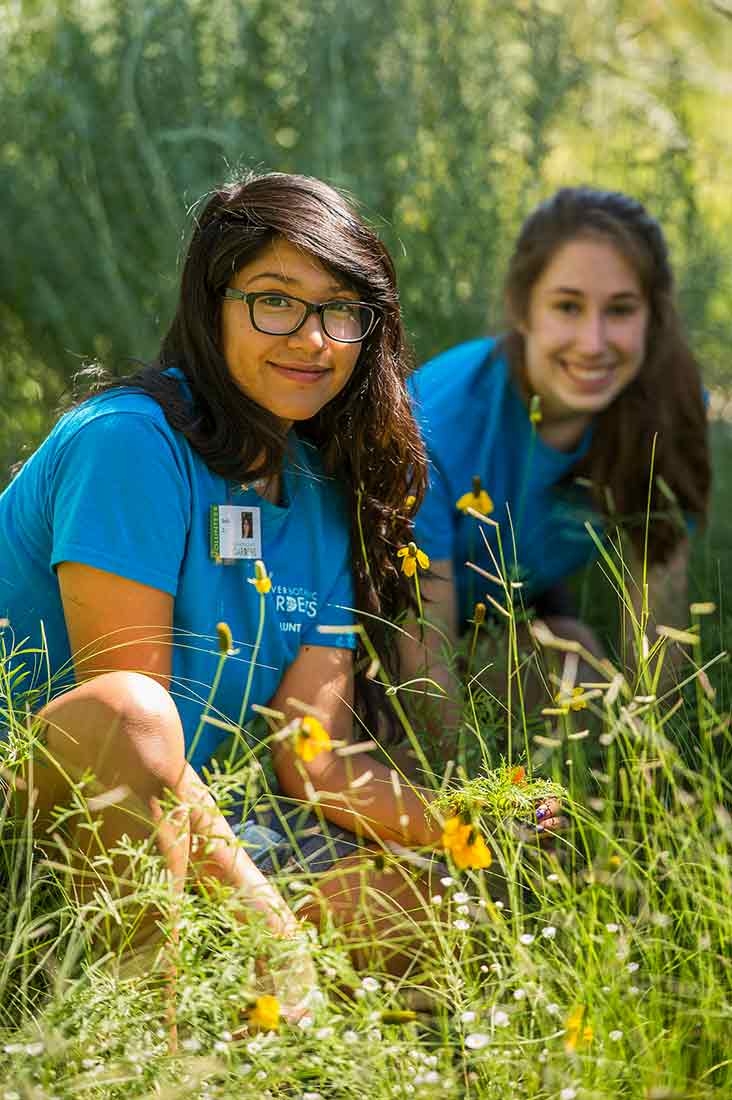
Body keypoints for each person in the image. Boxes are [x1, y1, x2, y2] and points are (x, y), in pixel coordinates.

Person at [0, 171, 453, 1006]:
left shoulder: (320, 489)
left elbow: (310, 757)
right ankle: (143, 1045)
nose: (314, 340)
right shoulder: (128, 444)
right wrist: (269, 922)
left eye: (341, 311)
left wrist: (474, 831)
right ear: (213, 304)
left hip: (197, 822)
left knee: (432, 917)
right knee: (133, 710)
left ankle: (249, 1030)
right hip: (41, 813)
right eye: (276, 300)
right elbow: (125, 731)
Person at [403, 187, 710, 724]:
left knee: (579, 667)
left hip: (518, 601)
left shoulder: (670, 407)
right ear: (523, 309)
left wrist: (656, 769)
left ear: (652, 316)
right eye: (567, 306)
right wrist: (462, 801)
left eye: (620, 310)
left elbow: (660, 633)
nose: (593, 343)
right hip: (394, 620)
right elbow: (427, 666)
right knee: (559, 678)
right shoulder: (433, 421)